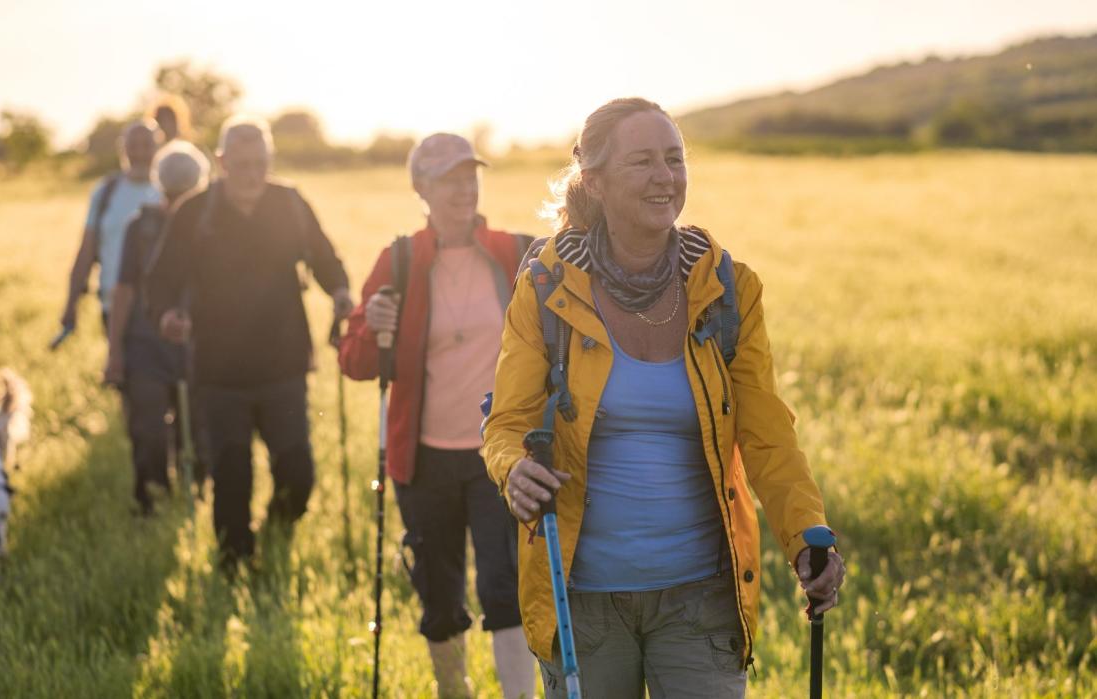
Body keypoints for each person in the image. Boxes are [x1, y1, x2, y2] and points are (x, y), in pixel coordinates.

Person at [481, 98, 847, 698]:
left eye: (675, 159)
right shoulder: (547, 287)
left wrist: (806, 532)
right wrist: (513, 469)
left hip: (702, 600)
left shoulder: (727, 289)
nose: (666, 176)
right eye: (643, 161)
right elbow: (507, 423)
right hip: (583, 601)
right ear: (594, 182)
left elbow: (767, 435)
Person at [339, 133, 536, 699]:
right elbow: (354, 360)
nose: (464, 188)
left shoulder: (514, 250)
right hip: (422, 460)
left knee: (505, 590)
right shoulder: (398, 260)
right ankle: (457, 692)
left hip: (500, 457)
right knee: (441, 596)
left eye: (470, 176)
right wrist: (374, 326)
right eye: (449, 178)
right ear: (421, 189)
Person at [146, 115, 352, 566]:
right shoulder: (194, 213)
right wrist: (167, 315)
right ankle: (235, 565)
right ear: (221, 162)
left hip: (285, 366)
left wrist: (339, 292)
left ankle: (277, 528)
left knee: (298, 474)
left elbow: (324, 258)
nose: (251, 174)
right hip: (219, 373)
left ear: (270, 160)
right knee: (231, 475)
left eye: (260, 163)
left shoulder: (290, 204)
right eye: (240, 164)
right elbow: (160, 281)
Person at [104, 141, 210, 514]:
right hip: (145, 346)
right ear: (159, 189)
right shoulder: (140, 227)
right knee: (147, 429)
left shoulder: (213, 226)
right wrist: (115, 350)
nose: (179, 202)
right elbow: (124, 288)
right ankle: (151, 502)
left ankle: (197, 494)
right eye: (173, 193)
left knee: (199, 429)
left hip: (200, 345)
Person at [60, 120, 163, 332]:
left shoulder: (168, 190)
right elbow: (87, 250)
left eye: (147, 145)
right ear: (123, 149)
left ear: (158, 147)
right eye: (133, 145)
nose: (140, 152)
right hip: (112, 307)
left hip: (158, 309)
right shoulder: (106, 192)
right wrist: (71, 304)